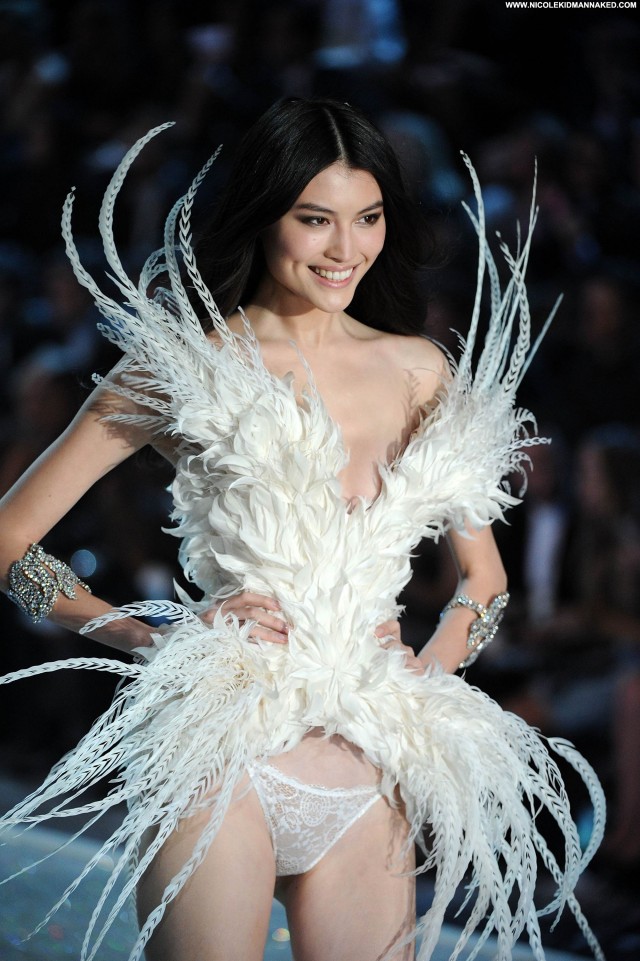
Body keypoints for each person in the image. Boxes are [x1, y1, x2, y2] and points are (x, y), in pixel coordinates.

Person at [0, 97, 605, 961]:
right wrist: (142, 632)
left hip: (368, 760)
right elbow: (9, 537)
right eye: (316, 219)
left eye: (369, 218)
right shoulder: (189, 363)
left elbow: (488, 581)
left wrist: (430, 670)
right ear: (265, 215)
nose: (346, 248)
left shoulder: (421, 371)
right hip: (221, 746)